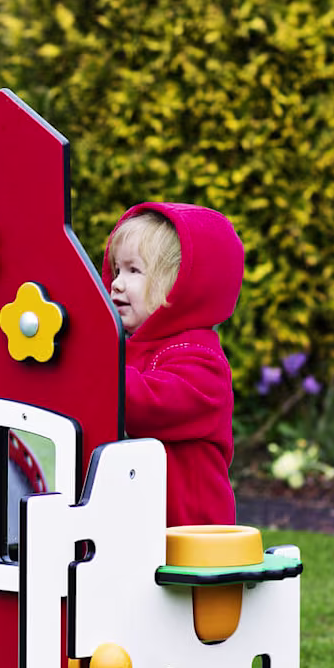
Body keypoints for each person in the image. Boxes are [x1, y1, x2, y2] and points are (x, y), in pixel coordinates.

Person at [106, 203, 242, 527]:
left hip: (190, 536)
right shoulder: (124, 348)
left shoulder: (201, 361)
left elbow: (147, 404)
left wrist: (90, 368)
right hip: (136, 526)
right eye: (116, 270)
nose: (117, 283)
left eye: (134, 271)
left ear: (181, 284)